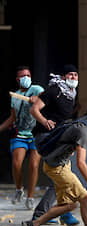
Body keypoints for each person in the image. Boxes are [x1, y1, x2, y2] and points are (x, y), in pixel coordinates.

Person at [29, 64, 82, 226]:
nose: (73, 77)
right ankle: (45, 213)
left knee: (62, 173)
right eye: (70, 75)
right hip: (46, 137)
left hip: (58, 138)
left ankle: (61, 211)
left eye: (75, 75)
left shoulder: (71, 94)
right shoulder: (54, 90)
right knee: (60, 174)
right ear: (64, 77)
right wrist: (45, 121)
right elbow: (34, 109)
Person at [0, 66, 44, 209]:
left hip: (36, 133)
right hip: (20, 133)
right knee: (16, 163)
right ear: (18, 79)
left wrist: (36, 99)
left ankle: (30, 197)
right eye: (23, 76)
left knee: (33, 165)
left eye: (28, 75)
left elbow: (45, 98)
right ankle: (19, 189)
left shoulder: (36, 89)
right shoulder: (15, 96)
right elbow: (12, 118)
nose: (26, 77)